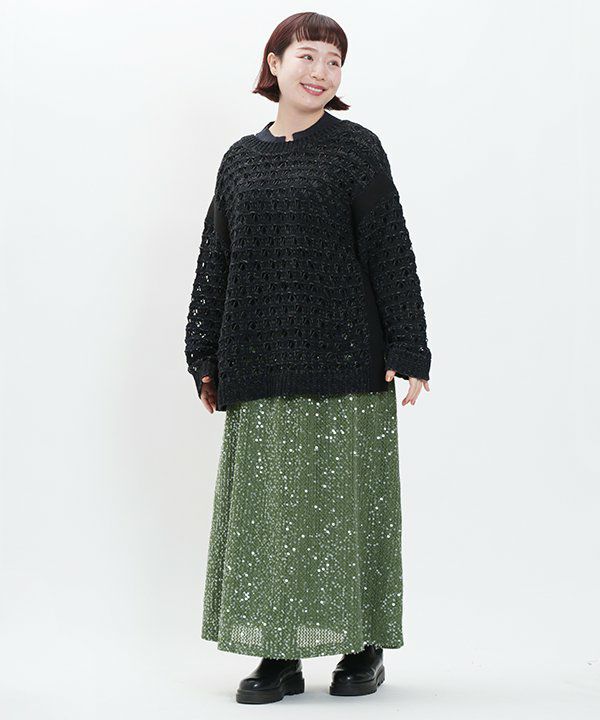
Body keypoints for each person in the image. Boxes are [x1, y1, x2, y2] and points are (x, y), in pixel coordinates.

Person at [184, 11, 432, 704]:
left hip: (350, 360)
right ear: (274, 63)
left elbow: (390, 249)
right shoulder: (240, 159)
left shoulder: (356, 150)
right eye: (308, 56)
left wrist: (409, 346)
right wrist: (203, 352)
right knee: (272, 516)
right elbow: (216, 258)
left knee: (348, 509)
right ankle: (279, 653)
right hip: (258, 360)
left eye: (334, 61)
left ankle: (364, 645)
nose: (321, 72)